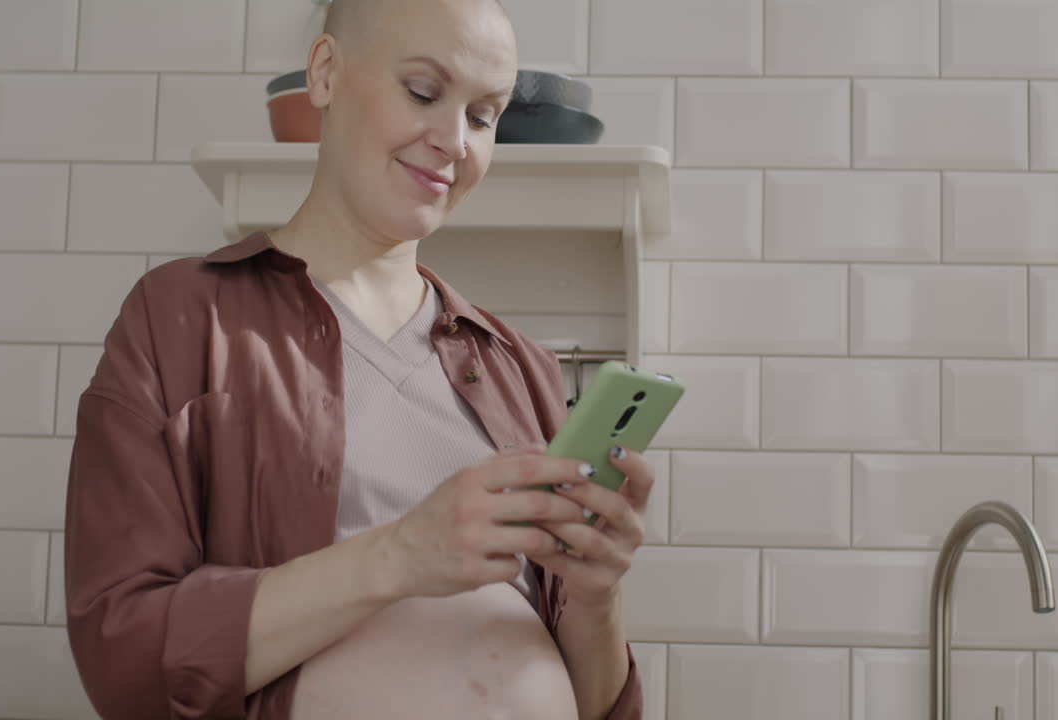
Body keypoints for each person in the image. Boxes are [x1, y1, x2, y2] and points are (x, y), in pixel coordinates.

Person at [63, 0, 650, 718]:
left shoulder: (520, 368)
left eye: (482, 116)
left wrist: (596, 599)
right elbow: (122, 655)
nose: (454, 142)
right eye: (424, 92)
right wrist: (401, 555)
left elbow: (596, 708)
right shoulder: (182, 318)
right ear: (326, 73)